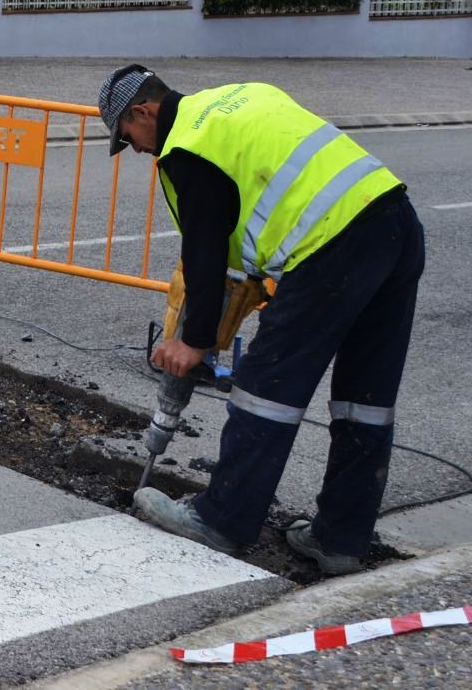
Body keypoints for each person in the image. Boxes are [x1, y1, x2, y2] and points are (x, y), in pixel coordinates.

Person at [98, 65, 424, 574]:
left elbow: (204, 250)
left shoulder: (187, 147)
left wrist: (196, 341)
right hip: (395, 224)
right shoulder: (236, 96)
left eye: (128, 136)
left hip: (329, 248)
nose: (138, 150)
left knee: (265, 391)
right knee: (366, 398)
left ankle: (222, 520)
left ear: (143, 112)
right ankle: (339, 539)